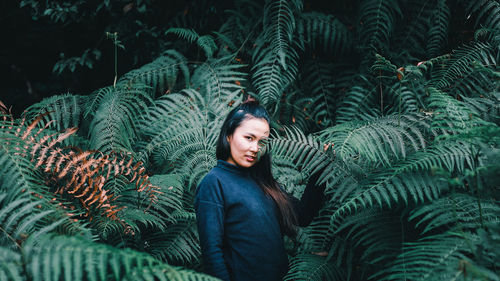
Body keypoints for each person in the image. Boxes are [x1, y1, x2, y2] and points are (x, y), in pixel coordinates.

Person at [194, 100, 326, 281]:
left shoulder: (265, 182)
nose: (255, 148)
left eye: (262, 142)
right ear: (229, 136)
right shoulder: (214, 183)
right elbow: (211, 252)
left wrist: (322, 168)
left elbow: (303, 215)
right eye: (249, 138)